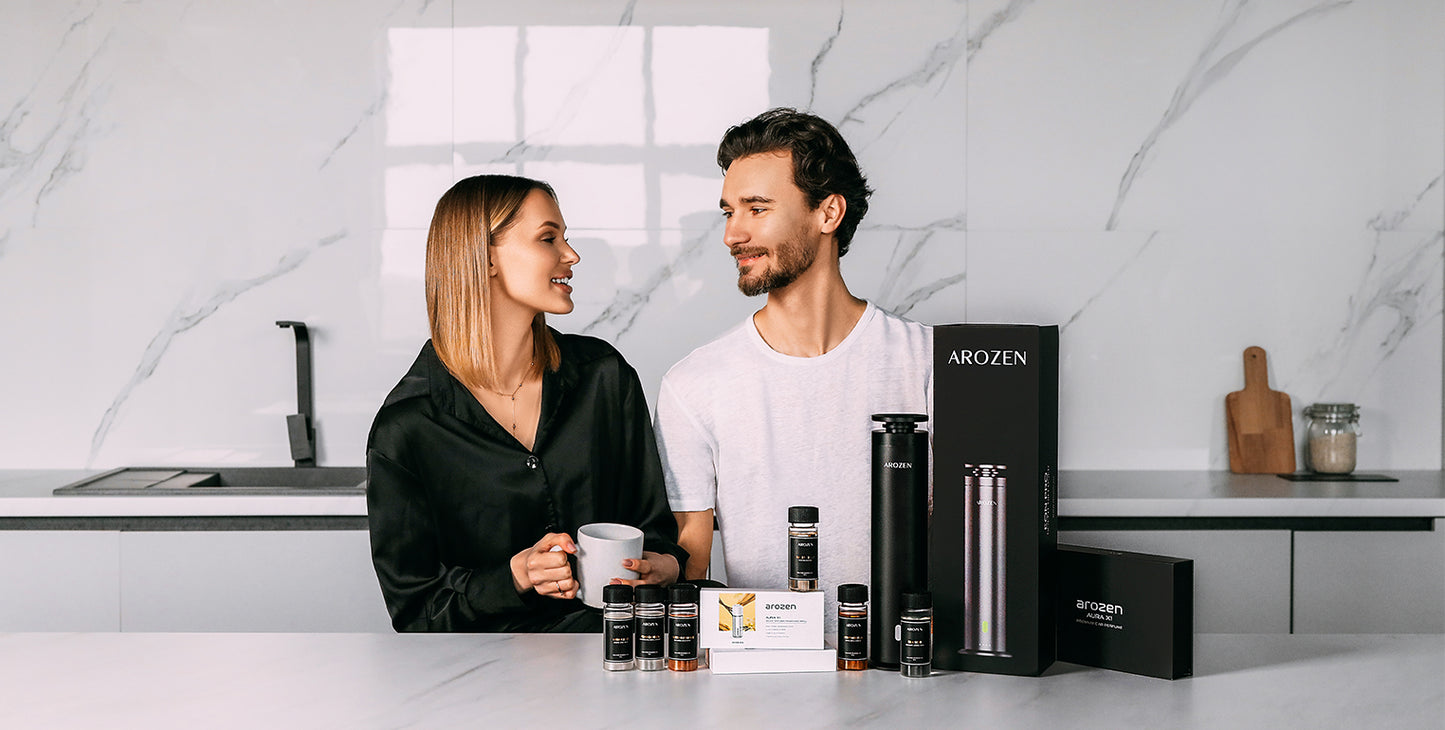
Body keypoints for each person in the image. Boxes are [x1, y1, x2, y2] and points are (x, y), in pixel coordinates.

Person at [367, 174, 685, 632]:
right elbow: (416, 613)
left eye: (565, 238)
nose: (570, 255)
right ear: (485, 258)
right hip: (487, 686)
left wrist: (664, 568)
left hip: (615, 665)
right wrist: (514, 577)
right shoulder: (407, 427)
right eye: (547, 238)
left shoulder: (605, 378)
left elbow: (656, 536)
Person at [654, 109, 932, 626]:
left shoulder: (927, 362)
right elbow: (691, 556)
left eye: (756, 209)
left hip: (906, 664)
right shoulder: (693, 384)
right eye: (728, 212)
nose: (732, 234)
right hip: (760, 674)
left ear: (828, 214)